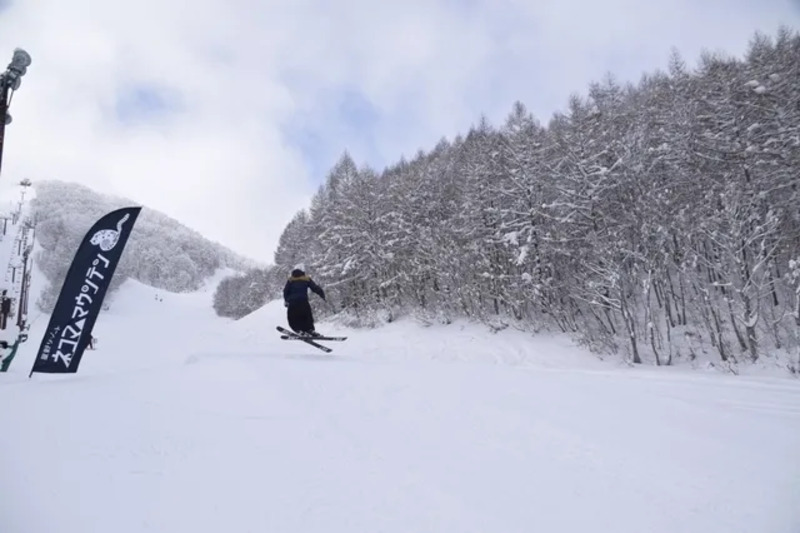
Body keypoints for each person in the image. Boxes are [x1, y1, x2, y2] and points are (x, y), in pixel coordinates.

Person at [283, 264, 326, 336]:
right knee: (307, 316)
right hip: (303, 301)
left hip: (293, 302)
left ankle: (298, 330)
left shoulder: (290, 280)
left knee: (293, 317)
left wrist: (286, 301)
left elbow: (285, 291)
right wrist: (322, 294)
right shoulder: (306, 279)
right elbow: (315, 287)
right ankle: (310, 330)